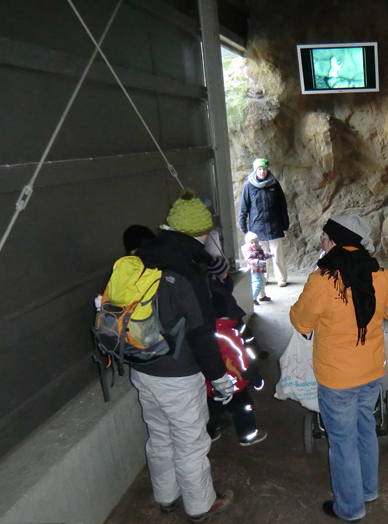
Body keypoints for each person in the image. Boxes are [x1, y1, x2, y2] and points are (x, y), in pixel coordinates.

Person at [290, 215, 388, 522]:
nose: (321, 241)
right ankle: (368, 490)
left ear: (334, 241)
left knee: (342, 443)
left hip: (336, 378)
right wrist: (375, 308)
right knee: (366, 430)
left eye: (324, 237)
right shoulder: (379, 274)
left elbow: (301, 321)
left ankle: (350, 508)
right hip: (371, 371)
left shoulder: (322, 280)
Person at [132, 189, 235, 522]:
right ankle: (201, 504)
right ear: (200, 233)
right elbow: (201, 335)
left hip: (143, 367)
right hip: (178, 375)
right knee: (190, 442)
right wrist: (220, 378)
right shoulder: (189, 274)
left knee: (159, 435)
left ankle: (166, 496)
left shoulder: (138, 260)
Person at [238, 158, 290, 287]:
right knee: (260, 255)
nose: (262, 172)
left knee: (277, 255)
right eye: (259, 169)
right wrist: (244, 227)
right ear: (255, 170)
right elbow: (243, 208)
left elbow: (282, 205)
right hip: (257, 228)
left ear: (267, 170)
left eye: (264, 169)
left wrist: (285, 223)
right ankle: (263, 278)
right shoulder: (249, 186)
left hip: (274, 225)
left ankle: (281, 278)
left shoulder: (274, 184)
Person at [241, 231, 274, 304]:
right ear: (248, 243)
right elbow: (249, 260)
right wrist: (258, 262)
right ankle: (252, 297)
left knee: (262, 282)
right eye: (252, 242)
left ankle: (262, 296)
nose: (254, 244)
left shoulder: (259, 249)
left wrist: (268, 255)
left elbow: (262, 255)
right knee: (257, 283)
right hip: (254, 270)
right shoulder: (249, 251)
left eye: (256, 242)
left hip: (260, 269)